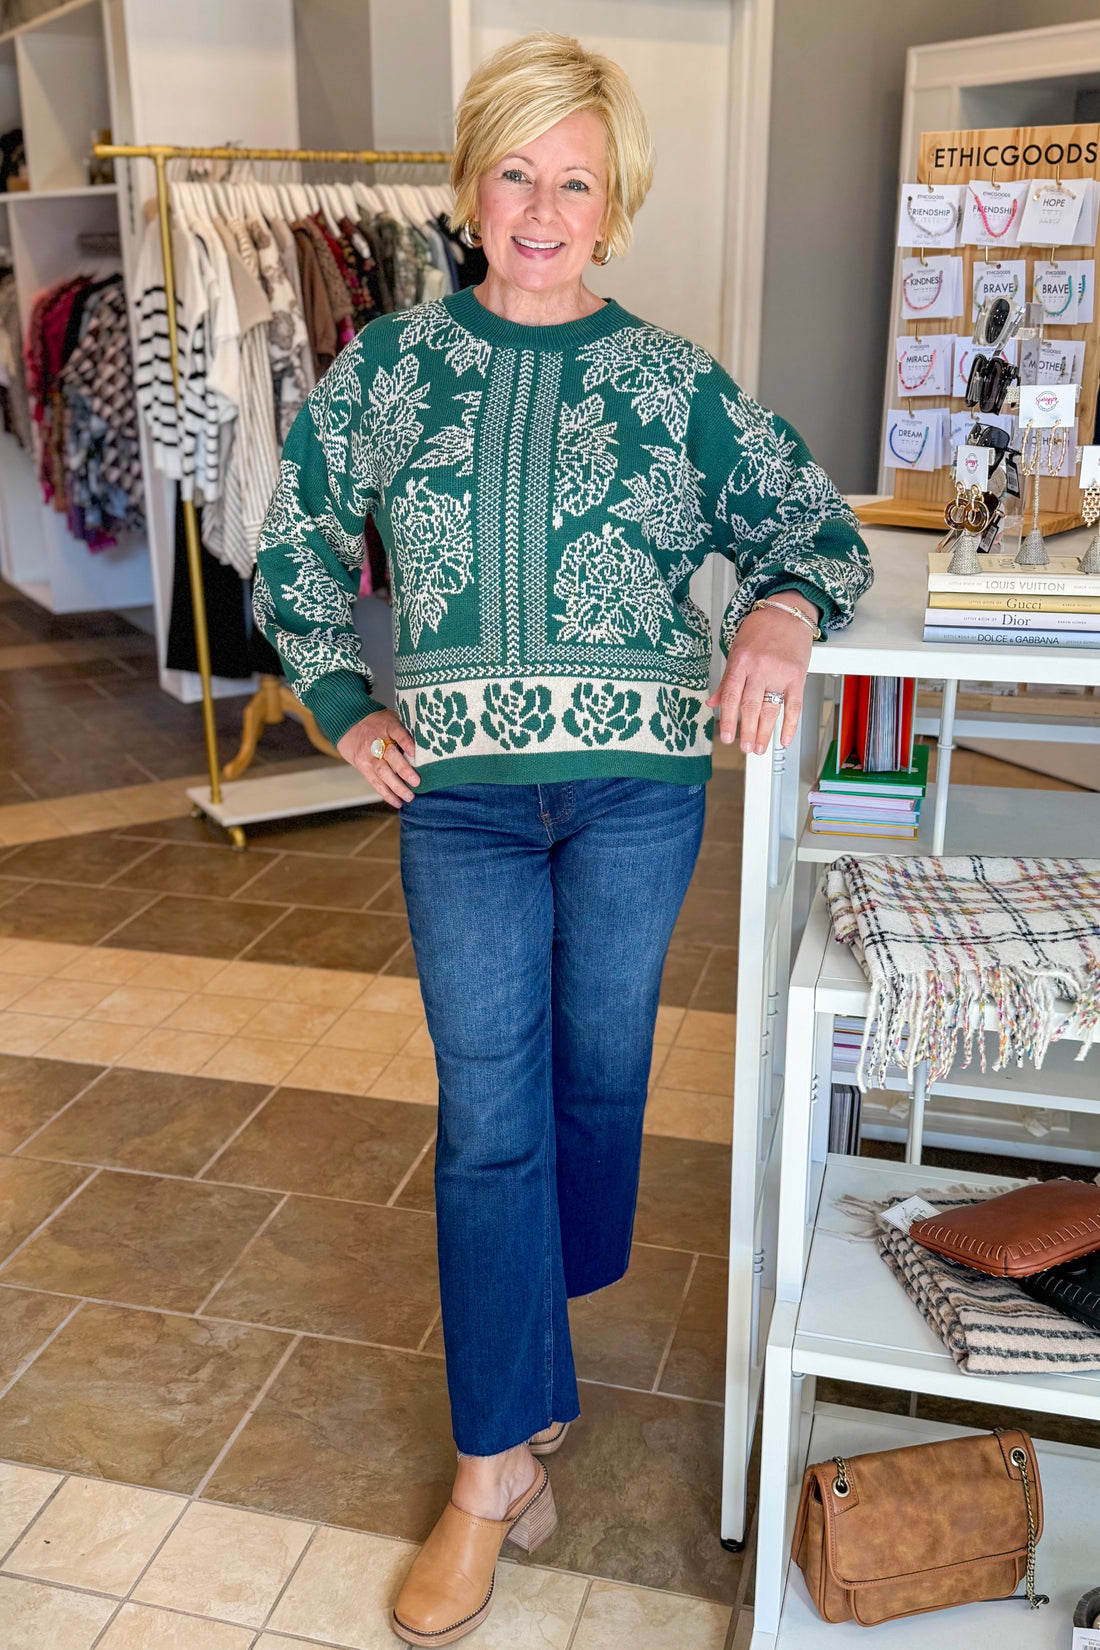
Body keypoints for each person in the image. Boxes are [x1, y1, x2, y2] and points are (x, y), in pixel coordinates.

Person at [254, 31, 872, 1646]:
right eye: (516, 174)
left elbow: (810, 524)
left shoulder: (674, 382)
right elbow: (291, 539)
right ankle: (493, 1467)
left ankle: (538, 1339)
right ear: (472, 189)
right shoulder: (389, 367)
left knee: (599, 1072)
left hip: (634, 792)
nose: (542, 209)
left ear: (617, 204)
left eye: (575, 181)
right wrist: (341, 702)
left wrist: (783, 614)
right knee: (487, 1112)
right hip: (458, 802)